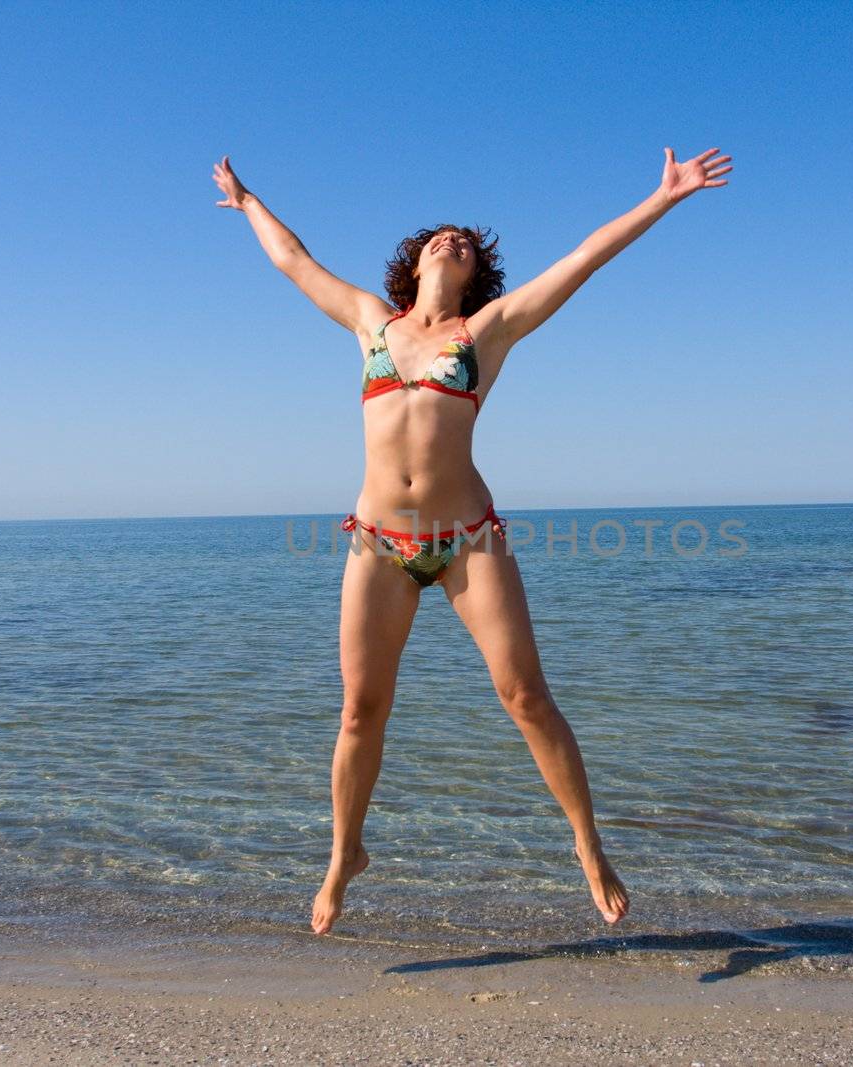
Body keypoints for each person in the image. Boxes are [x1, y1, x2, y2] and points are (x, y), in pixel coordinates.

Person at [212, 145, 733, 935]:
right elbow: (295, 262)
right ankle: (343, 855)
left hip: (467, 540)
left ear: (476, 268)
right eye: (437, 237)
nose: (449, 241)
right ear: (414, 260)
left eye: (463, 240)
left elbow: (583, 259)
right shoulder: (370, 323)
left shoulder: (485, 332)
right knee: (360, 711)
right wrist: (248, 202)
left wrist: (664, 198)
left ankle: (589, 846)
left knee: (525, 696)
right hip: (378, 542)